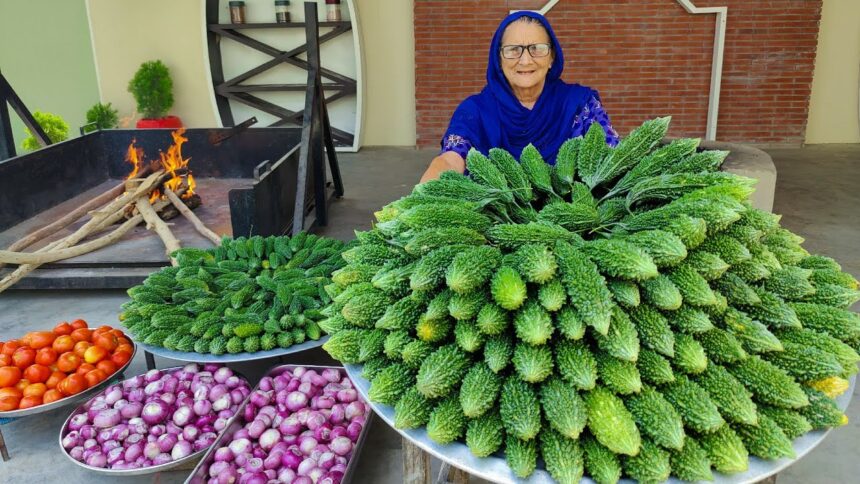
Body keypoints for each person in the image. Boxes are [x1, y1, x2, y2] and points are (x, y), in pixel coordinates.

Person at [420, 11, 619, 183]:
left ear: (552, 58)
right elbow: (451, 158)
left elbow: (609, 154)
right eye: (513, 50)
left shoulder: (579, 104)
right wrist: (423, 196)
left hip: (573, 219)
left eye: (537, 49)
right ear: (498, 59)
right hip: (494, 220)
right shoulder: (474, 111)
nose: (525, 60)